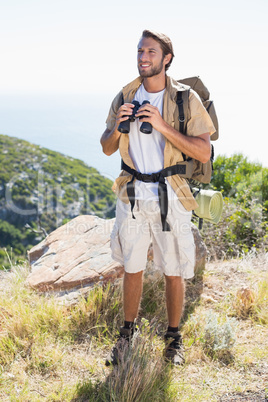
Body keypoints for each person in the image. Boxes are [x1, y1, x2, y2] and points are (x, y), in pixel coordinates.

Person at [100, 29, 215, 365]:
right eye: (139, 51)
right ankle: (126, 335)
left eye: (151, 52)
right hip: (132, 193)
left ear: (166, 59)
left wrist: (162, 126)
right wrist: (116, 125)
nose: (143, 58)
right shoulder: (125, 94)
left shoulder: (185, 98)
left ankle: (174, 339)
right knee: (131, 267)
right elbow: (107, 147)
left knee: (173, 268)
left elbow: (204, 152)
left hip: (172, 194)